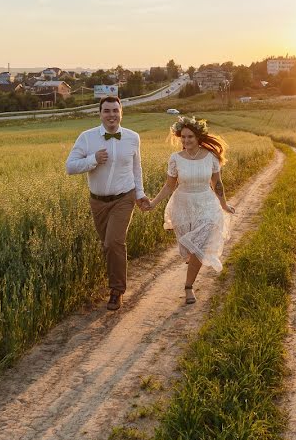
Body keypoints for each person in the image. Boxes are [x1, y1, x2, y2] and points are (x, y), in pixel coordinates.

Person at [66, 96, 150, 311]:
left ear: (121, 113)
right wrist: (93, 159)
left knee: (114, 243)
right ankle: (113, 279)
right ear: (100, 114)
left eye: (115, 110)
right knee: (107, 245)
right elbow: (70, 167)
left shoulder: (132, 138)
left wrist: (140, 194)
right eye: (107, 111)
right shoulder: (87, 138)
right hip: (98, 202)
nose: (111, 115)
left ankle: (116, 291)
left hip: (124, 197)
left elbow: (136, 169)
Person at [149, 116, 235, 304]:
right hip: (182, 205)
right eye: (183, 137)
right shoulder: (176, 159)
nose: (186, 141)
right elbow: (169, 186)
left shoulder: (210, 158)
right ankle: (192, 262)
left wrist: (224, 205)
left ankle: (188, 287)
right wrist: (154, 203)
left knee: (198, 245)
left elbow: (217, 183)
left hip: (206, 203)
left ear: (198, 138)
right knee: (189, 249)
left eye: (190, 137)